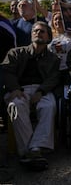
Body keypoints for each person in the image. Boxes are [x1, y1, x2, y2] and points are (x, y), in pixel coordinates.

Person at [1, 21, 60, 171]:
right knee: (16, 106)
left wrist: (41, 92)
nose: (37, 33)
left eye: (42, 31)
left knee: (48, 106)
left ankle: (32, 150)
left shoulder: (53, 58)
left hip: (42, 90)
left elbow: (53, 78)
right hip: (19, 90)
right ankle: (33, 151)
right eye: (35, 30)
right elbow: (6, 72)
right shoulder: (15, 53)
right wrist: (14, 88)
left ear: (48, 37)